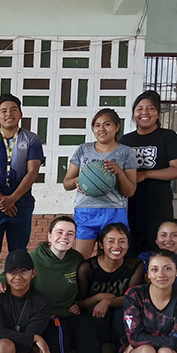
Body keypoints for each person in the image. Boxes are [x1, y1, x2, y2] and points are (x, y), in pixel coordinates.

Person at [0, 216, 84, 353]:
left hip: (55, 318)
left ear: (33, 274)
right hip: (17, 342)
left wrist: (82, 303)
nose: (64, 237)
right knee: (6, 344)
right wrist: (35, 339)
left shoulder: (76, 261)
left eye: (70, 233)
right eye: (59, 232)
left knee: (73, 333)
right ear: (49, 236)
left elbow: (85, 285)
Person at [73, 222, 144, 353]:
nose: (117, 246)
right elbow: (80, 303)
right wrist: (97, 299)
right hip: (93, 317)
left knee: (124, 316)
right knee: (89, 326)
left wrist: (107, 300)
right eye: (111, 241)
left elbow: (133, 297)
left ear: (128, 245)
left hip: (119, 317)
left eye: (122, 241)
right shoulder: (87, 267)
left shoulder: (135, 265)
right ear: (101, 244)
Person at [0, 94, 45, 275]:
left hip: (21, 205)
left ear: (21, 114)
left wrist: (12, 199)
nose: (9, 114)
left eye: (13, 109)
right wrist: (1, 200)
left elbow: (33, 172)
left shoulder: (31, 139)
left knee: (18, 253)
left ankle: (15, 295)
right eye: (3, 111)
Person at [62, 108, 138, 259]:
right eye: (97, 125)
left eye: (107, 124)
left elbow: (130, 191)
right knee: (80, 260)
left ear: (117, 127)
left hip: (114, 211)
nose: (101, 129)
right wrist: (80, 181)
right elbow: (67, 183)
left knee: (113, 260)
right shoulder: (83, 150)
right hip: (86, 210)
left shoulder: (126, 152)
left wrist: (119, 172)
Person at [120, 90, 177, 255]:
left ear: (157, 114)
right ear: (134, 113)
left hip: (158, 203)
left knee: (160, 247)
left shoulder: (168, 137)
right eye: (139, 108)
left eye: (150, 108)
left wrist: (145, 174)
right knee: (133, 248)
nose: (144, 112)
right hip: (131, 203)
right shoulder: (125, 140)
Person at [138, 219, 177, 292]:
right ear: (156, 239)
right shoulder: (144, 258)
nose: (168, 239)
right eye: (163, 235)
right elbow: (153, 288)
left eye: (174, 235)